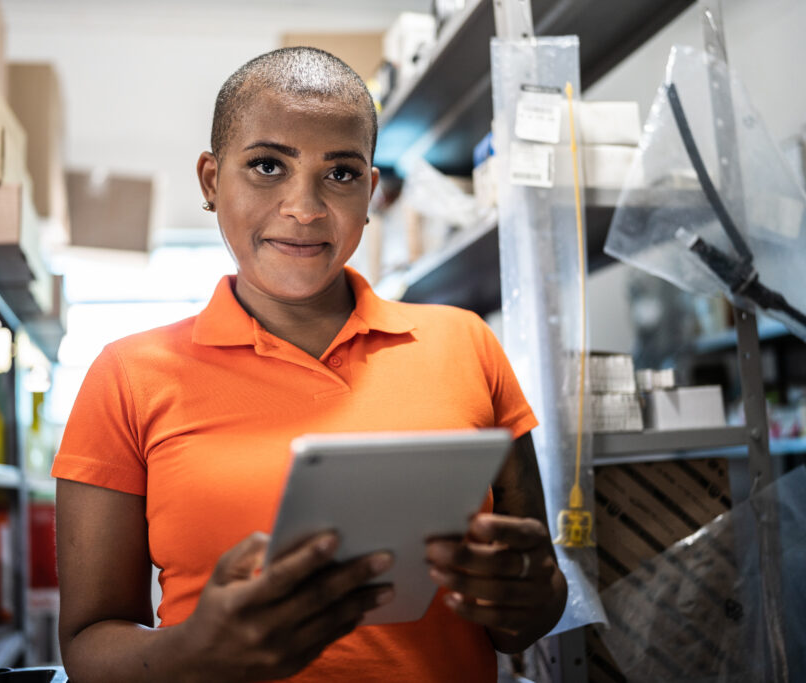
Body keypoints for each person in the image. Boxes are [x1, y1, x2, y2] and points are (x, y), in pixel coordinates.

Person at [53, 47, 567, 682]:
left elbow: (526, 613)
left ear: (372, 191)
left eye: (342, 173)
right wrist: (195, 651)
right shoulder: (127, 375)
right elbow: (86, 646)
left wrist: (532, 590)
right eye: (268, 165)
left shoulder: (466, 345)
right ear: (212, 182)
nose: (305, 208)